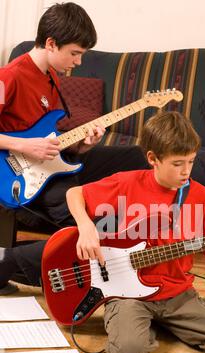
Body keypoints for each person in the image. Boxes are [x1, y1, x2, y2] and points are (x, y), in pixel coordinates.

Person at [61, 111, 205, 353]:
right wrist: (86, 226)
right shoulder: (127, 183)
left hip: (178, 294)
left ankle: (165, 323)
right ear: (153, 159)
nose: (186, 171)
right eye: (177, 163)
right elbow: (74, 193)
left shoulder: (202, 197)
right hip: (128, 295)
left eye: (191, 161)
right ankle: (142, 325)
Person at [0, 2, 147, 269]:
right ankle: (19, 266)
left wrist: (83, 147)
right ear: (51, 43)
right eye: (75, 53)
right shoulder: (8, 77)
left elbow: (52, 134)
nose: (78, 62)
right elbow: (32, 143)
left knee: (135, 157)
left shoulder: (51, 77)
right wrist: (25, 145)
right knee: (84, 218)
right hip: (21, 171)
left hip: (54, 158)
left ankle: (131, 240)